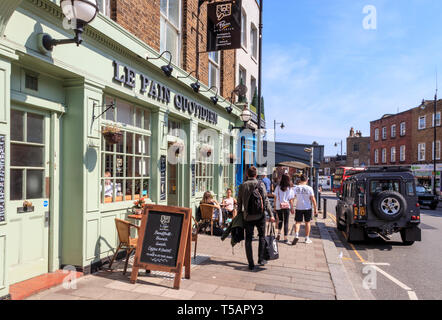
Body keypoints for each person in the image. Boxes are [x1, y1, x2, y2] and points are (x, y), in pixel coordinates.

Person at [237, 166, 275, 270]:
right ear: (256, 175)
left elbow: (239, 204)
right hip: (260, 215)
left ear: (247, 175)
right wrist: (271, 215)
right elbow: (266, 200)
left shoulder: (242, 186)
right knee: (262, 237)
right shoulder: (260, 184)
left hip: (247, 216)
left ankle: (250, 263)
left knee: (248, 239)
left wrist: (238, 216)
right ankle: (261, 259)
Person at [292, 174, 318, 245]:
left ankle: (296, 235)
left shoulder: (296, 188)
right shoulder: (309, 188)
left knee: (297, 222)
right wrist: (316, 209)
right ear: (307, 180)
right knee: (307, 222)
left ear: (300, 180)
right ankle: (307, 238)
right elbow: (313, 199)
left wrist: (292, 207)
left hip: (298, 207)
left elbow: (292, 198)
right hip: (307, 208)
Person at [274, 174, 294, 244]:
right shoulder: (290, 188)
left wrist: (274, 206)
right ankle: (285, 238)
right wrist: (292, 207)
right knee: (286, 222)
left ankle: (278, 235)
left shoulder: (278, 187)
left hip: (279, 206)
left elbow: (275, 197)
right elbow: (291, 199)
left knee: (280, 220)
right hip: (286, 206)